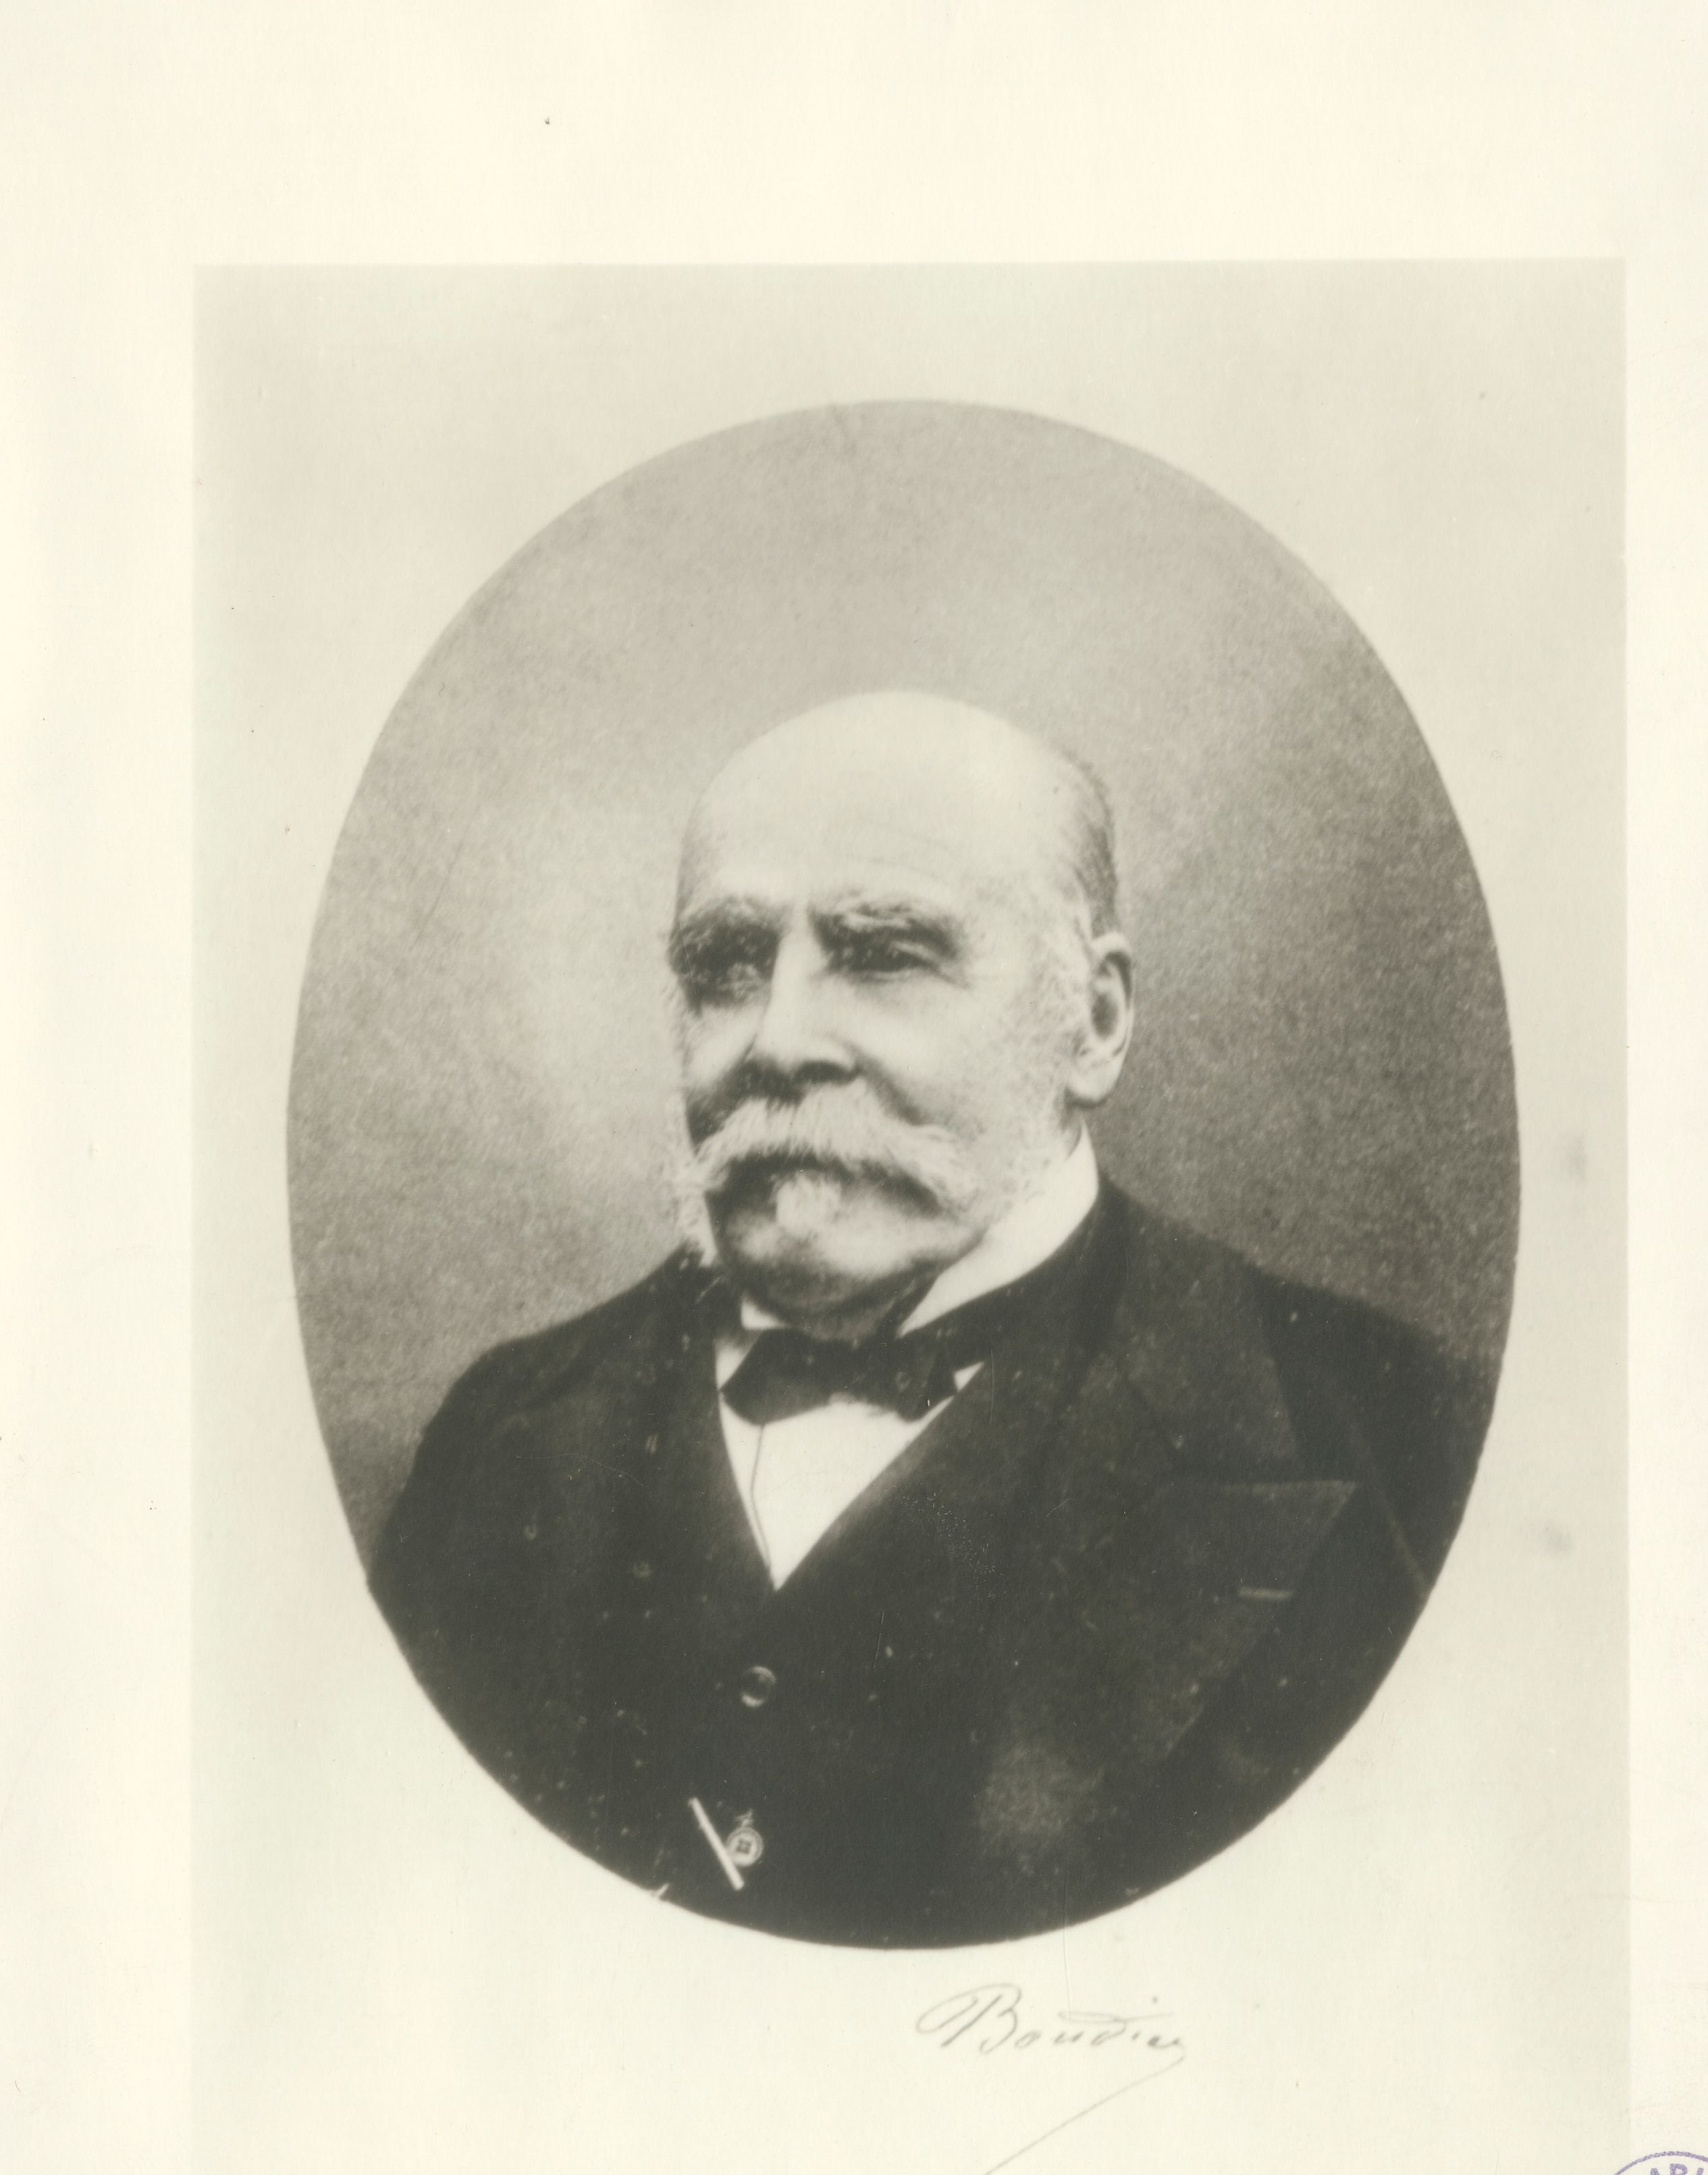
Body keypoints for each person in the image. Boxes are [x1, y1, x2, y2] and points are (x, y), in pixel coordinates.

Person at [372, 691, 1496, 1946]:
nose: (777, 1041)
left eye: (883, 954)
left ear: (1095, 1022)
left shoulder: (1401, 1448)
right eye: (727, 966)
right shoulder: (502, 1441)